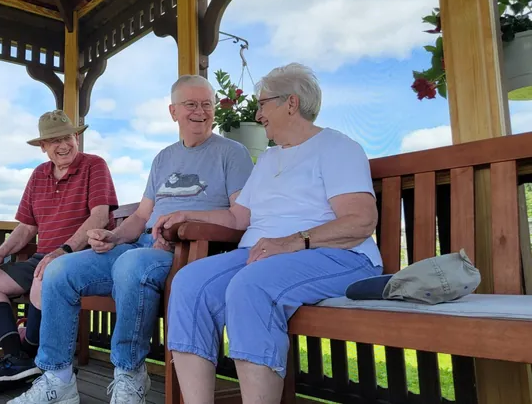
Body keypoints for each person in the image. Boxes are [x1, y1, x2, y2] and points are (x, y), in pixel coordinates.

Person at [8, 75, 255, 404]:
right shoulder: (164, 158)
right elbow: (140, 217)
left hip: (191, 251)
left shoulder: (232, 153)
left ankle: (129, 374)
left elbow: (241, 216)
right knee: (60, 270)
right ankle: (58, 378)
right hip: (142, 247)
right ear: (173, 111)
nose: (201, 111)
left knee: (130, 264)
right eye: (191, 104)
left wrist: (186, 219)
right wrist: (112, 235)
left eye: (207, 104)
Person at [154, 63, 383, 404]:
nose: (258, 114)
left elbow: (361, 220)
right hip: (262, 255)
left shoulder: (337, 147)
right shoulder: (269, 159)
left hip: (339, 255)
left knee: (251, 285)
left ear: (291, 103)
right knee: (190, 283)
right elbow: (237, 217)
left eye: (263, 104)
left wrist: (293, 242)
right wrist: (185, 213)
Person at [0, 110, 118, 394]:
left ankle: (30, 351)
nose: (63, 145)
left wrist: (63, 250)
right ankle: (17, 358)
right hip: (44, 256)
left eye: (67, 137)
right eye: (54, 140)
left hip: (81, 255)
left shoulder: (94, 165)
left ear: (76, 137)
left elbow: (99, 217)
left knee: (44, 275)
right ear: (43, 147)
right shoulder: (38, 175)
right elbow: (26, 226)